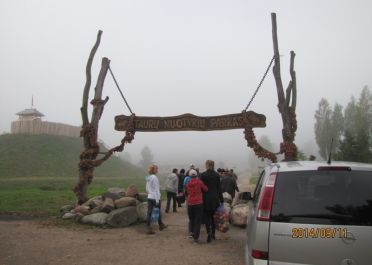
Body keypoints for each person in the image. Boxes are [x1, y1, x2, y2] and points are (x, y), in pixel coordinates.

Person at [200, 160, 223, 243]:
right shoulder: (217, 175)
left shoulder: (202, 175)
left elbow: (201, 188)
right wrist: (222, 200)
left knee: (207, 217)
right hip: (215, 199)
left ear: (206, 165)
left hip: (206, 199)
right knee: (214, 217)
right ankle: (213, 233)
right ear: (213, 165)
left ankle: (208, 232)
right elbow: (219, 189)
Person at [185, 169, 208, 244]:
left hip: (190, 203)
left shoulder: (188, 183)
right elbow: (205, 189)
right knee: (198, 221)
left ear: (190, 176)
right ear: (196, 175)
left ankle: (191, 233)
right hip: (198, 203)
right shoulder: (199, 182)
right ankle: (196, 239)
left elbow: (187, 191)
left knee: (192, 219)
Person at [145, 164, 168, 234]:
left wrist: (149, 193)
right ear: (153, 170)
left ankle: (149, 228)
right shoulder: (154, 177)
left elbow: (146, 188)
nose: (157, 170)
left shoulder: (148, 177)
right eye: (156, 169)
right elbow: (156, 189)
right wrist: (157, 199)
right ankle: (160, 225)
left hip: (149, 197)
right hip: (155, 197)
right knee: (157, 211)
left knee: (149, 212)